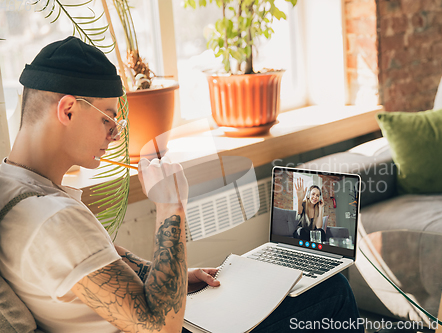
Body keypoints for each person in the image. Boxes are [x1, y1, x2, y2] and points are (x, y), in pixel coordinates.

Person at [0, 36, 364, 332]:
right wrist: (170, 206)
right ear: (67, 110)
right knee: (332, 293)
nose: (113, 136)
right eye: (108, 120)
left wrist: (173, 276)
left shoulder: (15, 187)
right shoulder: (53, 219)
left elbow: (104, 260)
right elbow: (161, 326)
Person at [293, 178, 327, 242]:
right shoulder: (303, 204)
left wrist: (321, 208)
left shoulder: (317, 208)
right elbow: (299, 211)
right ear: (309, 194)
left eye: (317, 195)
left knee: (321, 231)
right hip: (301, 232)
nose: (315, 197)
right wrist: (299, 199)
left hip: (311, 234)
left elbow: (319, 226)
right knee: (302, 231)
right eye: (313, 194)